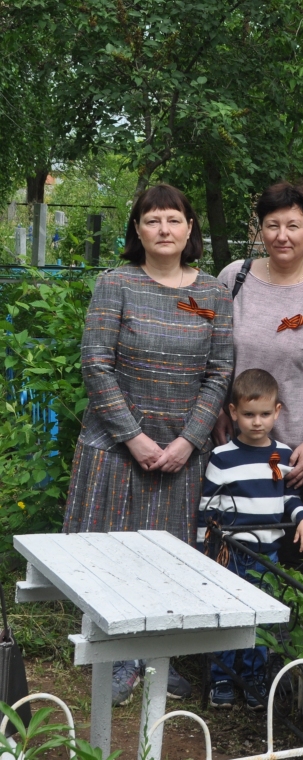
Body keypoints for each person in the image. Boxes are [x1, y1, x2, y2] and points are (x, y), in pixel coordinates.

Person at [63, 183, 233, 706]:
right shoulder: (115, 284)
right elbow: (96, 364)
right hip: (117, 447)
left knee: (171, 559)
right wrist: (133, 437)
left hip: (181, 451)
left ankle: (159, 658)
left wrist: (189, 440)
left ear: (189, 229)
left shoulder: (213, 295)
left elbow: (219, 372)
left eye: (174, 219)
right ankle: (116, 660)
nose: (164, 229)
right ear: (137, 229)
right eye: (153, 219)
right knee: (111, 557)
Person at [216, 181, 303, 564]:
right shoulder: (234, 278)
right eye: (272, 225)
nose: (282, 236)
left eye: (293, 226)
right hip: (233, 445)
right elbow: (213, 353)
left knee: (287, 561)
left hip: (290, 456)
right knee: (229, 553)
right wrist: (217, 413)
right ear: (260, 228)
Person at [198, 369, 303, 709]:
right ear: (233, 412)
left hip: (268, 555)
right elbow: (208, 508)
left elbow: (288, 497)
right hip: (230, 554)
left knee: (261, 616)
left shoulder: (281, 454)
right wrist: (203, 552)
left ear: (277, 412)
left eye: (264, 414)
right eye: (249, 414)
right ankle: (222, 677)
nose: (257, 422)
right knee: (227, 613)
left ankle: (254, 677)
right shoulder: (222, 457)